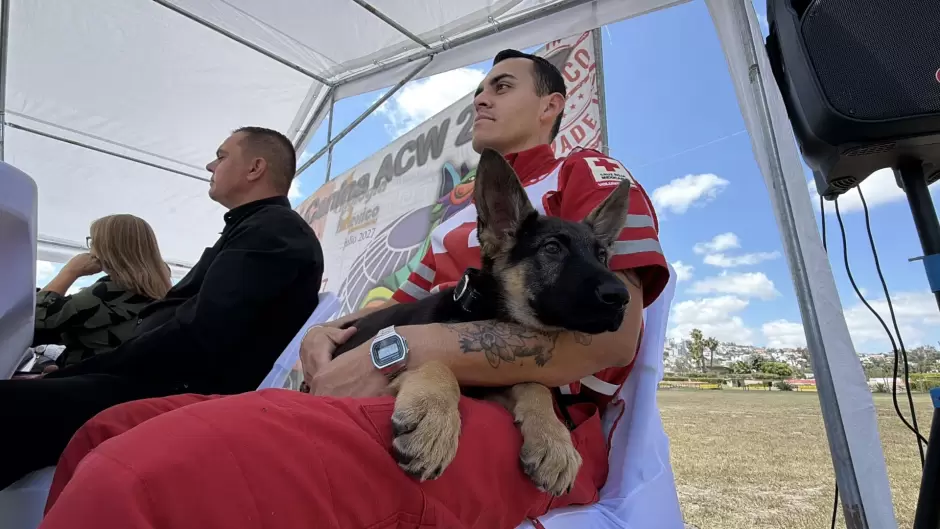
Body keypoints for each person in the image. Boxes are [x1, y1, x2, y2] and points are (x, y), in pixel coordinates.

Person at [37, 51, 669, 529]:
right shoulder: (458, 220)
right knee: (109, 430)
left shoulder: (587, 174)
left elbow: (609, 339)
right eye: (476, 90)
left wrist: (404, 353)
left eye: (502, 87)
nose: (481, 100)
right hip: (379, 379)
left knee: (142, 477)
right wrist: (322, 334)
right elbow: (383, 311)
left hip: (522, 414)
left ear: (552, 104)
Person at [0, 126, 324, 489]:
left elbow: (199, 332)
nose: (209, 165)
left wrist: (74, 373)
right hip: (161, 384)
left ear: (255, 168)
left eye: (221, 156)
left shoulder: (272, 232)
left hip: (176, 396)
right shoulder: (258, 230)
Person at [33, 214, 172, 369]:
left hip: (90, 382)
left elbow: (36, 317)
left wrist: (69, 272)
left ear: (108, 247)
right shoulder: (152, 288)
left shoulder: (114, 290)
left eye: (92, 241)